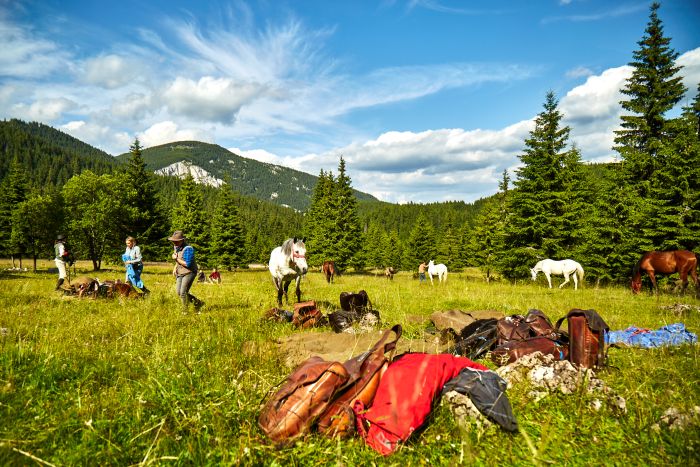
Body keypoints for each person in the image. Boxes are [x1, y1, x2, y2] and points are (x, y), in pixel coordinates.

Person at [168, 230, 204, 312]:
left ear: (182, 240)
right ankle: (198, 302)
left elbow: (187, 264)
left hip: (190, 272)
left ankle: (185, 311)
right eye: (173, 241)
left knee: (183, 292)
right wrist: (175, 267)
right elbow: (178, 259)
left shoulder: (188, 249)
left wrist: (176, 258)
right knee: (178, 292)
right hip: (180, 272)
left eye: (176, 241)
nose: (174, 243)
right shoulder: (176, 247)